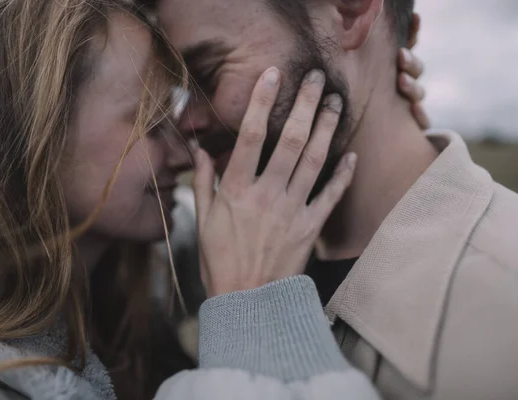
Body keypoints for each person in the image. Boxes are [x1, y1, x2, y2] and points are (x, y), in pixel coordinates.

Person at [0, 1, 425, 400]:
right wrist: (252, 315)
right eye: (149, 120)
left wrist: (378, 120)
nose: (186, 150)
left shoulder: (137, 277)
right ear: (29, 136)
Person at [145, 0, 518, 399]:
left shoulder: (503, 321)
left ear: (350, 13)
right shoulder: (197, 246)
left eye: (206, 73)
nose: (185, 124)